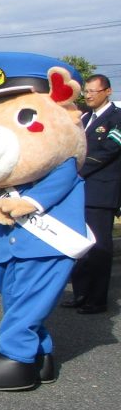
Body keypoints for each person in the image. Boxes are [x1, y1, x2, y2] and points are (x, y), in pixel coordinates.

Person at [65, 74, 121, 314]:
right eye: (85, 91)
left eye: (93, 91)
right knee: (80, 245)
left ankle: (97, 299)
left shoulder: (117, 118)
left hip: (101, 192)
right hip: (79, 191)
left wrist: (75, 170)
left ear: (107, 91)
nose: (88, 95)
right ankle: (81, 293)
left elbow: (109, 150)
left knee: (99, 247)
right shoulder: (84, 118)